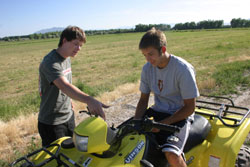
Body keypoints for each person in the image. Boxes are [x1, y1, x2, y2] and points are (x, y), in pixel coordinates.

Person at [134, 28, 199, 167]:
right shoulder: (147, 69)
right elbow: (143, 100)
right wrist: (136, 122)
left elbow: (189, 107)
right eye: (144, 55)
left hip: (180, 115)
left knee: (172, 155)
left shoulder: (182, 69)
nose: (148, 59)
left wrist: (164, 124)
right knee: (128, 139)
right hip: (157, 112)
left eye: (150, 54)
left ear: (163, 49)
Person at [38, 26, 108, 147]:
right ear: (64, 41)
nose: (79, 48)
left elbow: (66, 84)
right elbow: (64, 86)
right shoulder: (50, 62)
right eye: (76, 44)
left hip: (68, 116)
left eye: (81, 45)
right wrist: (89, 100)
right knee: (57, 159)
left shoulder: (67, 58)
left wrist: (69, 99)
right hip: (52, 122)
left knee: (73, 152)